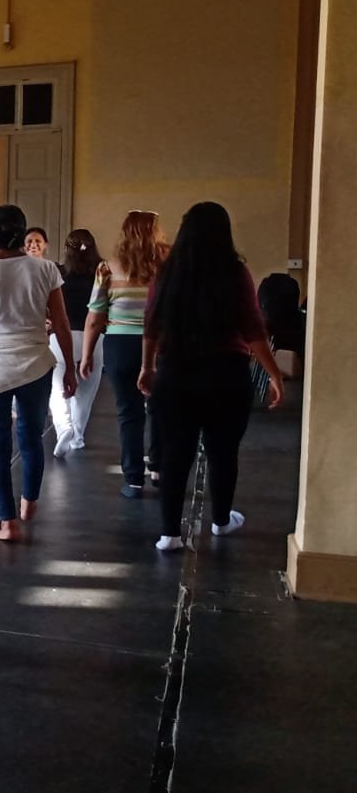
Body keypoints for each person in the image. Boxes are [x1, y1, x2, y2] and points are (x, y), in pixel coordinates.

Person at [140, 202, 285, 552]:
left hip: (175, 372)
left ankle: (169, 534)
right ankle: (221, 521)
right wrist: (275, 375)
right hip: (226, 374)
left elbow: (151, 324)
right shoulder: (235, 273)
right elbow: (253, 329)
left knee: (176, 452)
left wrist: (147, 367)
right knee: (224, 452)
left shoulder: (168, 272)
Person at [0, 205, 76, 542]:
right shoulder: (45, 270)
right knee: (31, 436)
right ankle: (29, 502)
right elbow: (63, 323)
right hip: (36, 362)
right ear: (23, 235)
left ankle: (7, 523)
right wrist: (67, 367)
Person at [82, 210, 168, 499]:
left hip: (119, 344)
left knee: (128, 412)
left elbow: (95, 316)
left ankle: (133, 478)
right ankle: (158, 468)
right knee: (160, 408)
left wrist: (86, 355)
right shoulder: (168, 267)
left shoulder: (108, 267)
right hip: (161, 344)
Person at [50, 229, 104, 456]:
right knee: (85, 393)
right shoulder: (102, 272)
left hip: (61, 337)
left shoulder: (58, 272)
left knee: (57, 389)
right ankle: (78, 437)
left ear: (66, 249)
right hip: (94, 337)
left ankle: (64, 428)